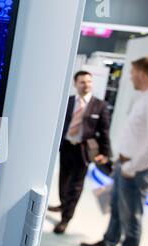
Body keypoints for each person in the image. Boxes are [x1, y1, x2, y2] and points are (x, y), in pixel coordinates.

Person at [80, 57, 148, 246]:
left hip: (137, 171)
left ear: (143, 73)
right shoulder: (145, 98)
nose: (130, 76)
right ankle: (108, 243)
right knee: (116, 209)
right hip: (125, 166)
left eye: (132, 72)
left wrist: (130, 168)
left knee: (131, 217)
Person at [49, 71, 111, 234]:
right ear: (75, 84)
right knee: (63, 181)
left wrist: (105, 153)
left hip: (83, 151)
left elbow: (104, 131)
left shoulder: (100, 105)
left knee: (76, 186)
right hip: (67, 147)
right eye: (82, 82)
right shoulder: (68, 102)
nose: (86, 85)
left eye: (89, 82)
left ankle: (66, 218)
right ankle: (63, 203)